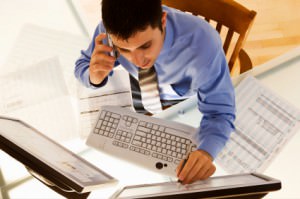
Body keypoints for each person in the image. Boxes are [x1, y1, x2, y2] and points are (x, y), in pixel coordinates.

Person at [74, 0, 235, 185]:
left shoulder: (202, 43)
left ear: (163, 21)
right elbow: (83, 65)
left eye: (145, 46)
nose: (137, 60)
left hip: (183, 102)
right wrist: (94, 76)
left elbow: (220, 112)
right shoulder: (108, 31)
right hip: (140, 91)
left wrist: (207, 150)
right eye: (124, 49)